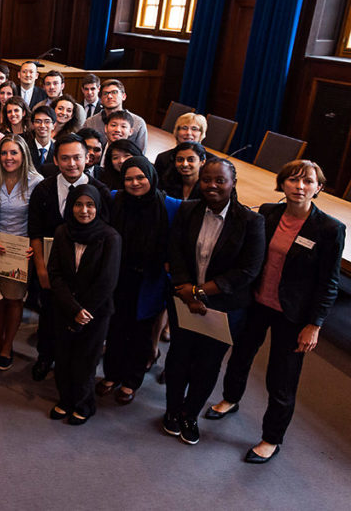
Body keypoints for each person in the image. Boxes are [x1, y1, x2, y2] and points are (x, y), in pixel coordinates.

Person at [208, 160, 345, 464]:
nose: (299, 187)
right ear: (281, 183)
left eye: (307, 181)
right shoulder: (268, 212)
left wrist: (315, 324)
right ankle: (230, 399)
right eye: (293, 180)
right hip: (256, 302)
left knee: (281, 378)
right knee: (240, 356)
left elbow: (329, 282)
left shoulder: (329, 229)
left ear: (318, 188)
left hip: (292, 314)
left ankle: (271, 438)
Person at [163, 157, 265, 446]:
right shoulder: (187, 210)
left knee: (208, 363)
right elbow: (176, 251)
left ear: (233, 184)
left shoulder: (251, 221)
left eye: (220, 180)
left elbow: (247, 271)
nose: (212, 186)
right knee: (179, 357)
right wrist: (186, 289)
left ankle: (190, 414)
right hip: (182, 297)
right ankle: (172, 409)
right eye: (206, 179)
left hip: (223, 307)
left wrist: (200, 293)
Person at [27, 134, 112, 382]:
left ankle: (74, 366)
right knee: (50, 317)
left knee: (81, 320)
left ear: (88, 158)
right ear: (55, 159)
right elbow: (35, 230)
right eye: (64, 158)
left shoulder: (101, 191)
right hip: (52, 271)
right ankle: (45, 357)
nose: (71, 163)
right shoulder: (43, 188)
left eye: (77, 157)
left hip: (87, 274)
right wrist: (42, 270)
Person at [99, 158, 181, 405]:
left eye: (140, 178)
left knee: (141, 333)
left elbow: (176, 245)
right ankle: (112, 374)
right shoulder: (116, 199)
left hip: (149, 280)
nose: (134, 183)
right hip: (118, 276)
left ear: (151, 176)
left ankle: (132, 381)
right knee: (115, 328)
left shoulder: (170, 205)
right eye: (128, 179)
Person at [47, 185, 121, 425]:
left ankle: (84, 404)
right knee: (64, 356)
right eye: (78, 204)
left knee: (85, 360)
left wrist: (83, 311)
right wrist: (72, 308)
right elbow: (55, 273)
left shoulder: (110, 237)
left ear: (98, 207)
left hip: (95, 312)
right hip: (64, 307)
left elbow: (107, 281)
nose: (84, 210)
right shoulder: (62, 232)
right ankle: (65, 400)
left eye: (90, 205)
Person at [0, 135, 43, 369]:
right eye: (4, 153)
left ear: (23, 155)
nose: (8, 158)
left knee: (13, 299)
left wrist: (34, 246)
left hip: (20, 251)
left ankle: (6, 345)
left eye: (14, 153)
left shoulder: (36, 182)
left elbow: (40, 221)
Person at [82, 79, 148, 152]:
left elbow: (140, 154)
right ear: (101, 99)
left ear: (123, 96)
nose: (109, 96)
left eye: (114, 92)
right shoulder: (90, 122)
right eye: (105, 93)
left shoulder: (138, 123)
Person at [153, 112, 209, 180]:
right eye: (184, 128)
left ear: (201, 133)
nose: (188, 133)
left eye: (194, 129)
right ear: (177, 131)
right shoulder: (163, 158)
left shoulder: (210, 163)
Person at [25, 105, 56, 171]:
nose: (42, 125)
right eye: (38, 121)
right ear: (33, 124)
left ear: (53, 125)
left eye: (47, 121)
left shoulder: (58, 150)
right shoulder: (25, 148)